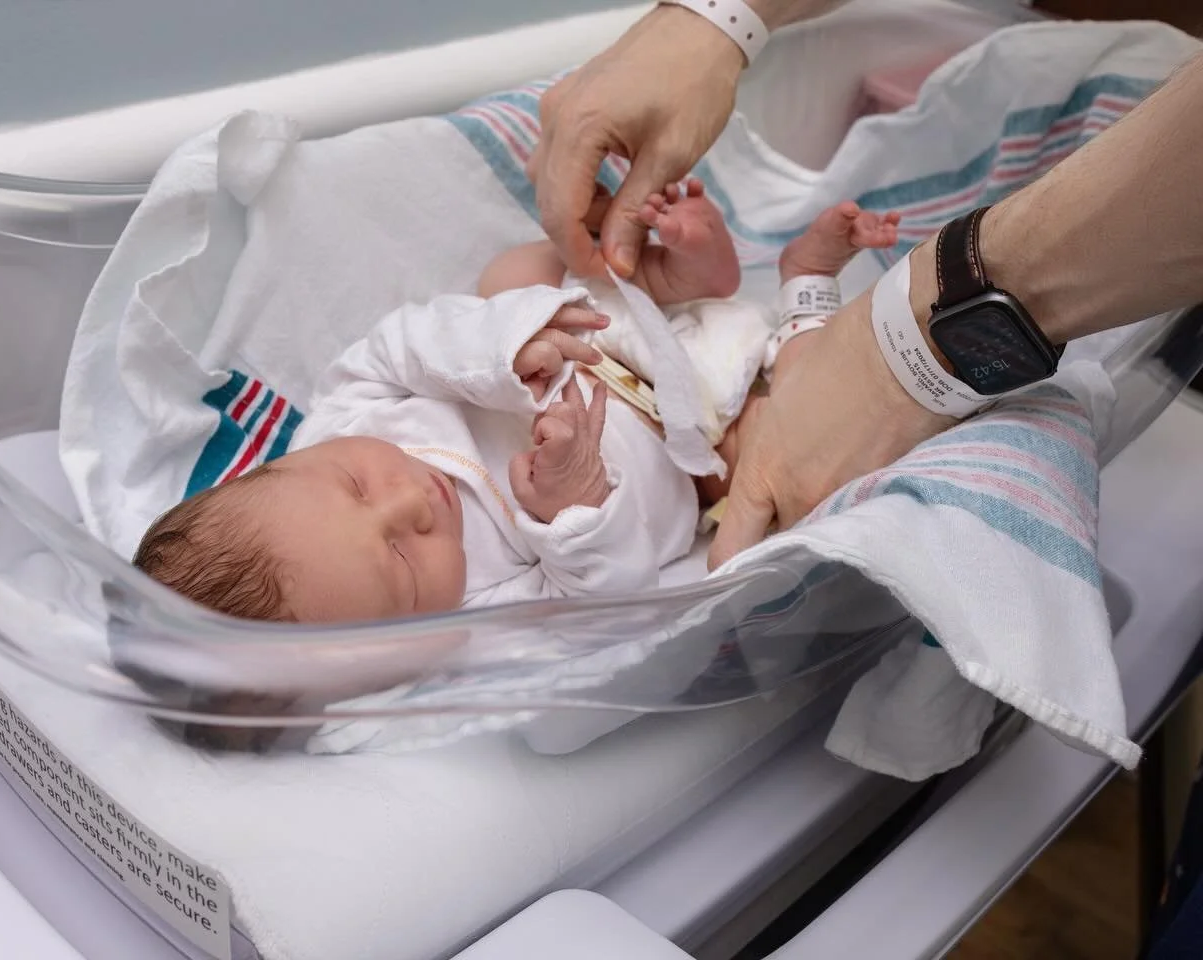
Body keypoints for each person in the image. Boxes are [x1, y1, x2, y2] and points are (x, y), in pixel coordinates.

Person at [530, 1, 1203, 568]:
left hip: (731, 419)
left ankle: (803, 275)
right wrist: (715, 20)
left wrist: (904, 357)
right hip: (724, 383)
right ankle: (809, 272)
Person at [131, 189, 895, 623]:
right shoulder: (479, 610)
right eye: (399, 561)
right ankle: (807, 287)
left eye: (355, 487)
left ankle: (658, 266)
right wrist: (572, 512)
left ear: (282, 467)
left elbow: (397, 345)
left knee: (511, 277)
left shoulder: (342, 422)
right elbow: (608, 609)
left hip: (598, 341)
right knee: (799, 449)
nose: (408, 504)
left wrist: (502, 350)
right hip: (703, 453)